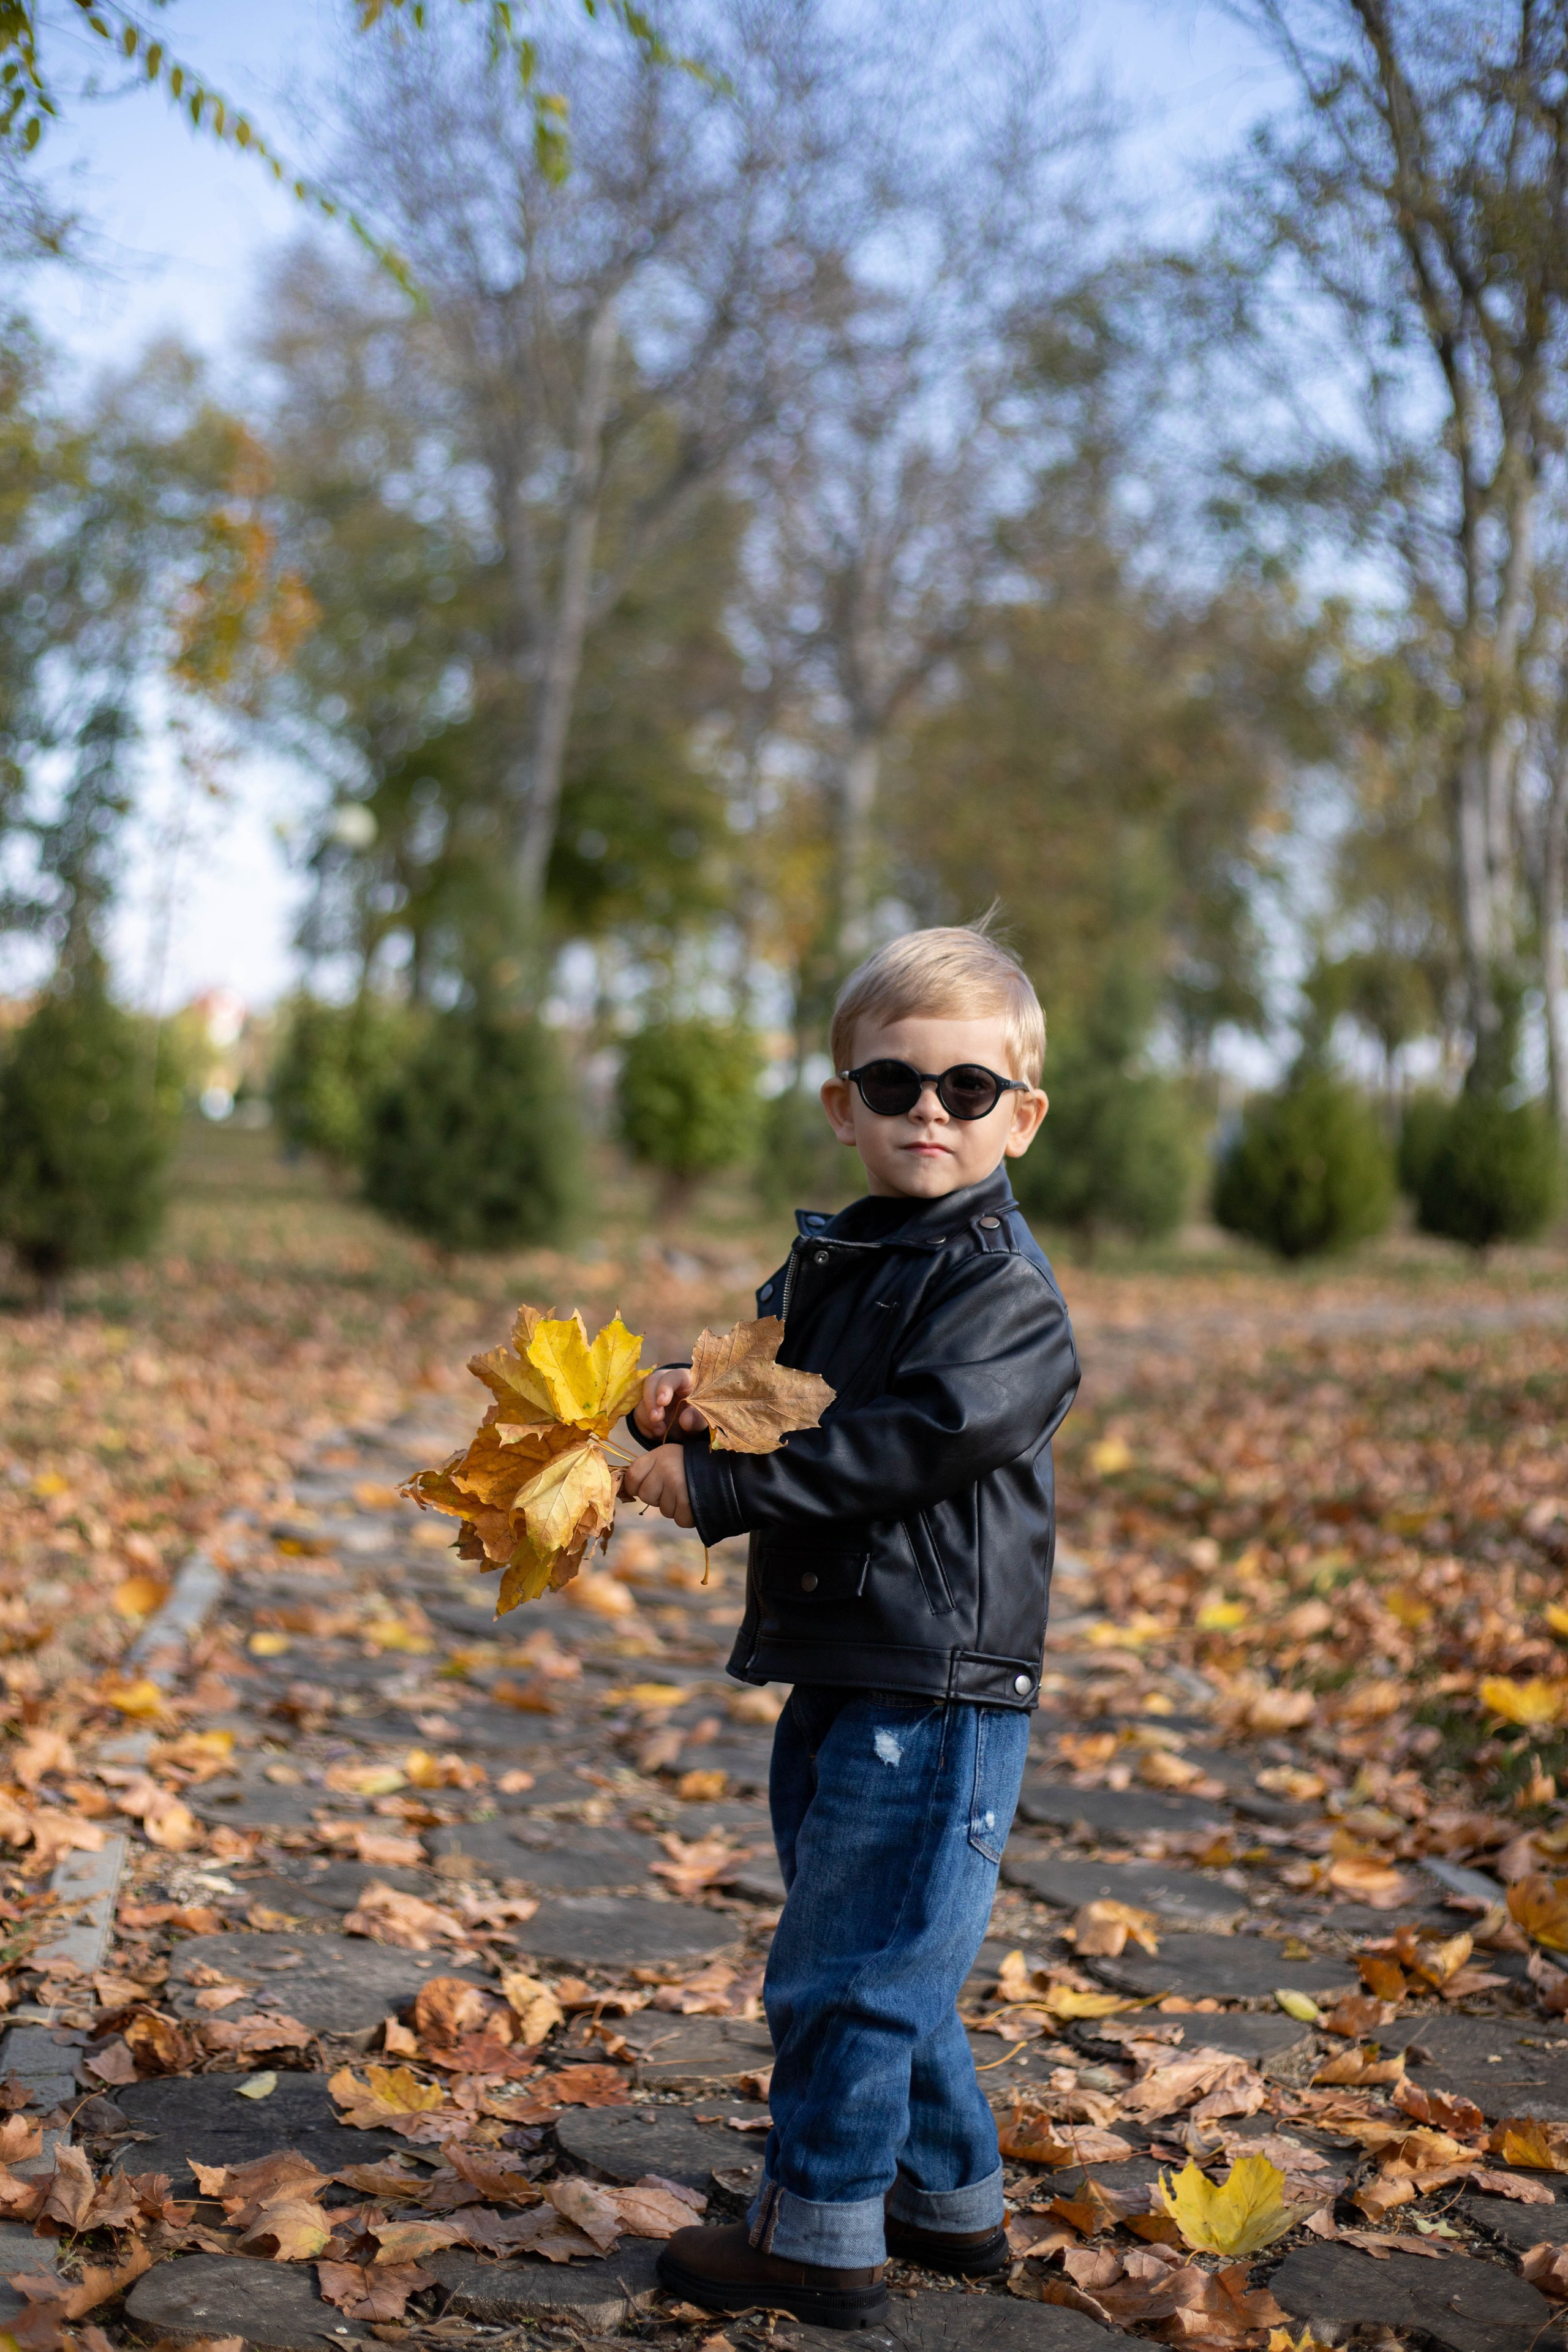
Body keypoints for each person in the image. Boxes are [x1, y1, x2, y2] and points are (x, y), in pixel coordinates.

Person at [619, 922, 1080, 2331]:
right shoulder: (844, 1256)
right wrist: (685, 1399)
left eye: (965, 1090)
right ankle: (947, 2203)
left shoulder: (1003, 1295)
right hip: (846, 1655)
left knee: (848, 1971)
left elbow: (897, 1448)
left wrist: (709, 1488)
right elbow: (784, 1395)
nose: (927, 1115)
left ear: (1022, 1113)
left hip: (933, 1679)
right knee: (890, 1952)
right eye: (892, 1087)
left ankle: (818, 2233)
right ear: (842, 1107)